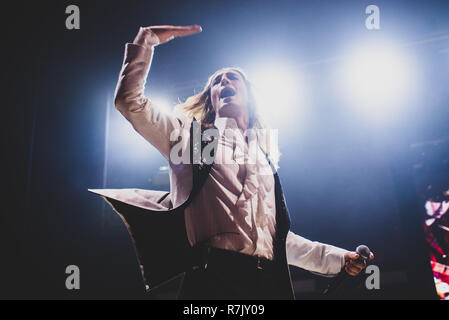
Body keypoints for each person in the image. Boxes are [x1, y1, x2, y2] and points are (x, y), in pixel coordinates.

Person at [93, 24, 373, 299]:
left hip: (267, 283)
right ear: (211, 101)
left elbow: (276, 241)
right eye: (217, 81)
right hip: (214, 280)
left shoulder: (265, 160)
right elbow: (129, 102)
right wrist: (145, 42)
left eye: (232, 78)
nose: (224, 82)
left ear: (251, 97)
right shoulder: (194, 140)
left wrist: (337, 259)